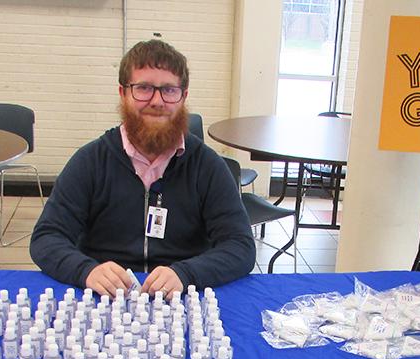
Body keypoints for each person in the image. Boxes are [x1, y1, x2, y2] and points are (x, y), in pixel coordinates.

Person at [30, 40, 256, 297]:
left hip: (182, 298)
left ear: (183, 97)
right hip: (104, 300)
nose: (157, 101)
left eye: (169, 90)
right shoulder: (90, 161)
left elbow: (240, 247)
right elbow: (46, 238)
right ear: (122, 93)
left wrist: (187, 274)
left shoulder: (208, 166)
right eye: (144, 88)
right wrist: (86, 271)